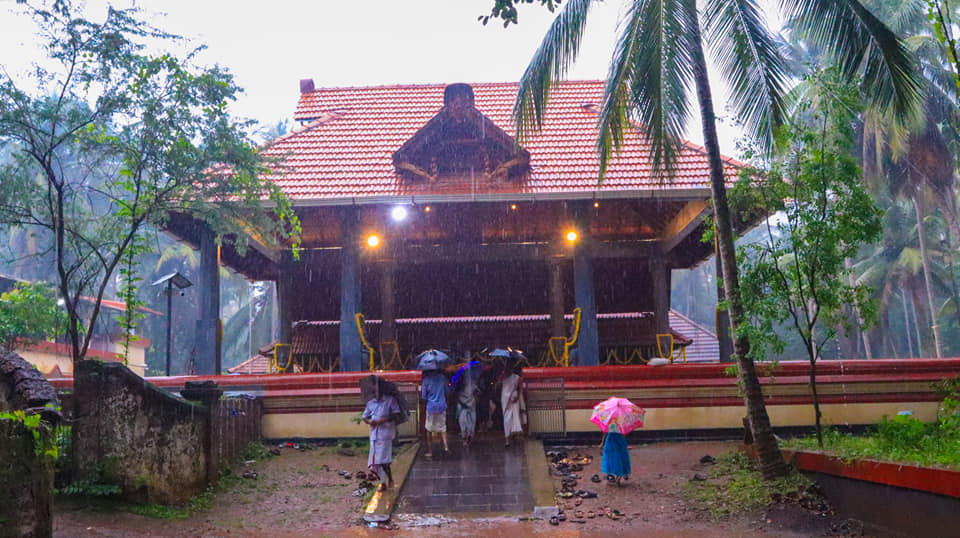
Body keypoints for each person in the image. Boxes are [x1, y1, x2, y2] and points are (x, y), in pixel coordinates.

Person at [361, 377, 402, 491]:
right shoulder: (370, 403)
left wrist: (382, 421)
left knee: (382, 459)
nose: (376, 392)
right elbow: (364, 417)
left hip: (386, 434)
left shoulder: (390, 400)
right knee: (376, 460)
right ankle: (383, 481)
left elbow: (396, 415)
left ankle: (389, 480)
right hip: (374, 434)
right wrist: (370, 422)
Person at [421, 369, 450, 457]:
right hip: (442, 406)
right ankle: (446, 447)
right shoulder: (442, 378)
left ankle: (430, 451)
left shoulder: (426, 380)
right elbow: (447, 391)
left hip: (431, 407)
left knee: (429, 429)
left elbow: (423, 396)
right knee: (443, 428)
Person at [455, 359, 479, 446]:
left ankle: (467, 437)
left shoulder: (462, 380)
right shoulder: (470, 381)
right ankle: (467, 436)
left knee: (465, 422)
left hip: (466, 404)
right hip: (466, 404)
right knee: (467, 422)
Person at [500, 364, 525, 447]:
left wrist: (517, 397)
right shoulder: (502, 376)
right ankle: (507, 438)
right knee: (506, 418)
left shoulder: (516, 377)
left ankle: (513, 435)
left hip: (513, 399)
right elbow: (498, 385)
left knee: (514, 417)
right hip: (504, 399)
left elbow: (520, 388)